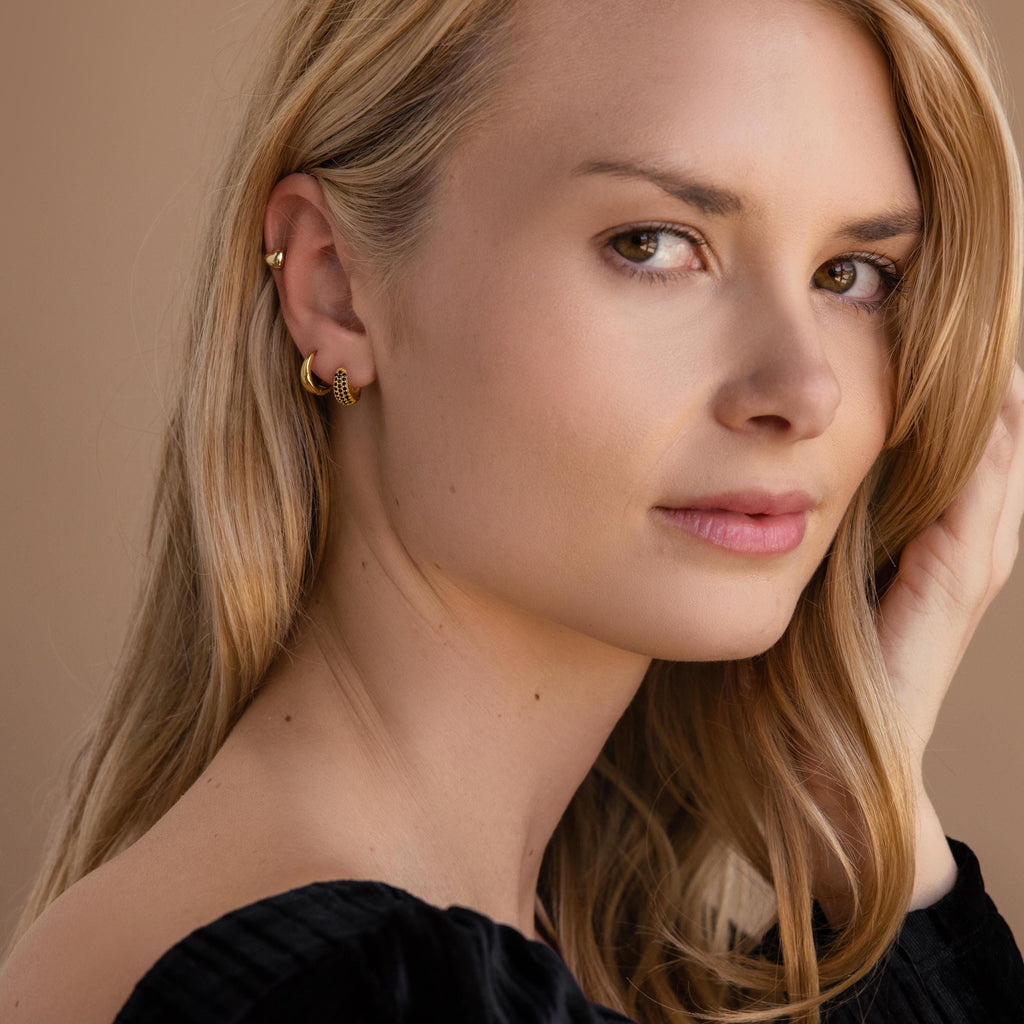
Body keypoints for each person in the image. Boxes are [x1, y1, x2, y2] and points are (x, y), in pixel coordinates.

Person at [1, 0, 1023, 1020]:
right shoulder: (369, 992)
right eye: (653, 244)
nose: (803, 391)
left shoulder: (436, 951)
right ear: (333, 289)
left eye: (851, 275)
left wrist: (862, 796)